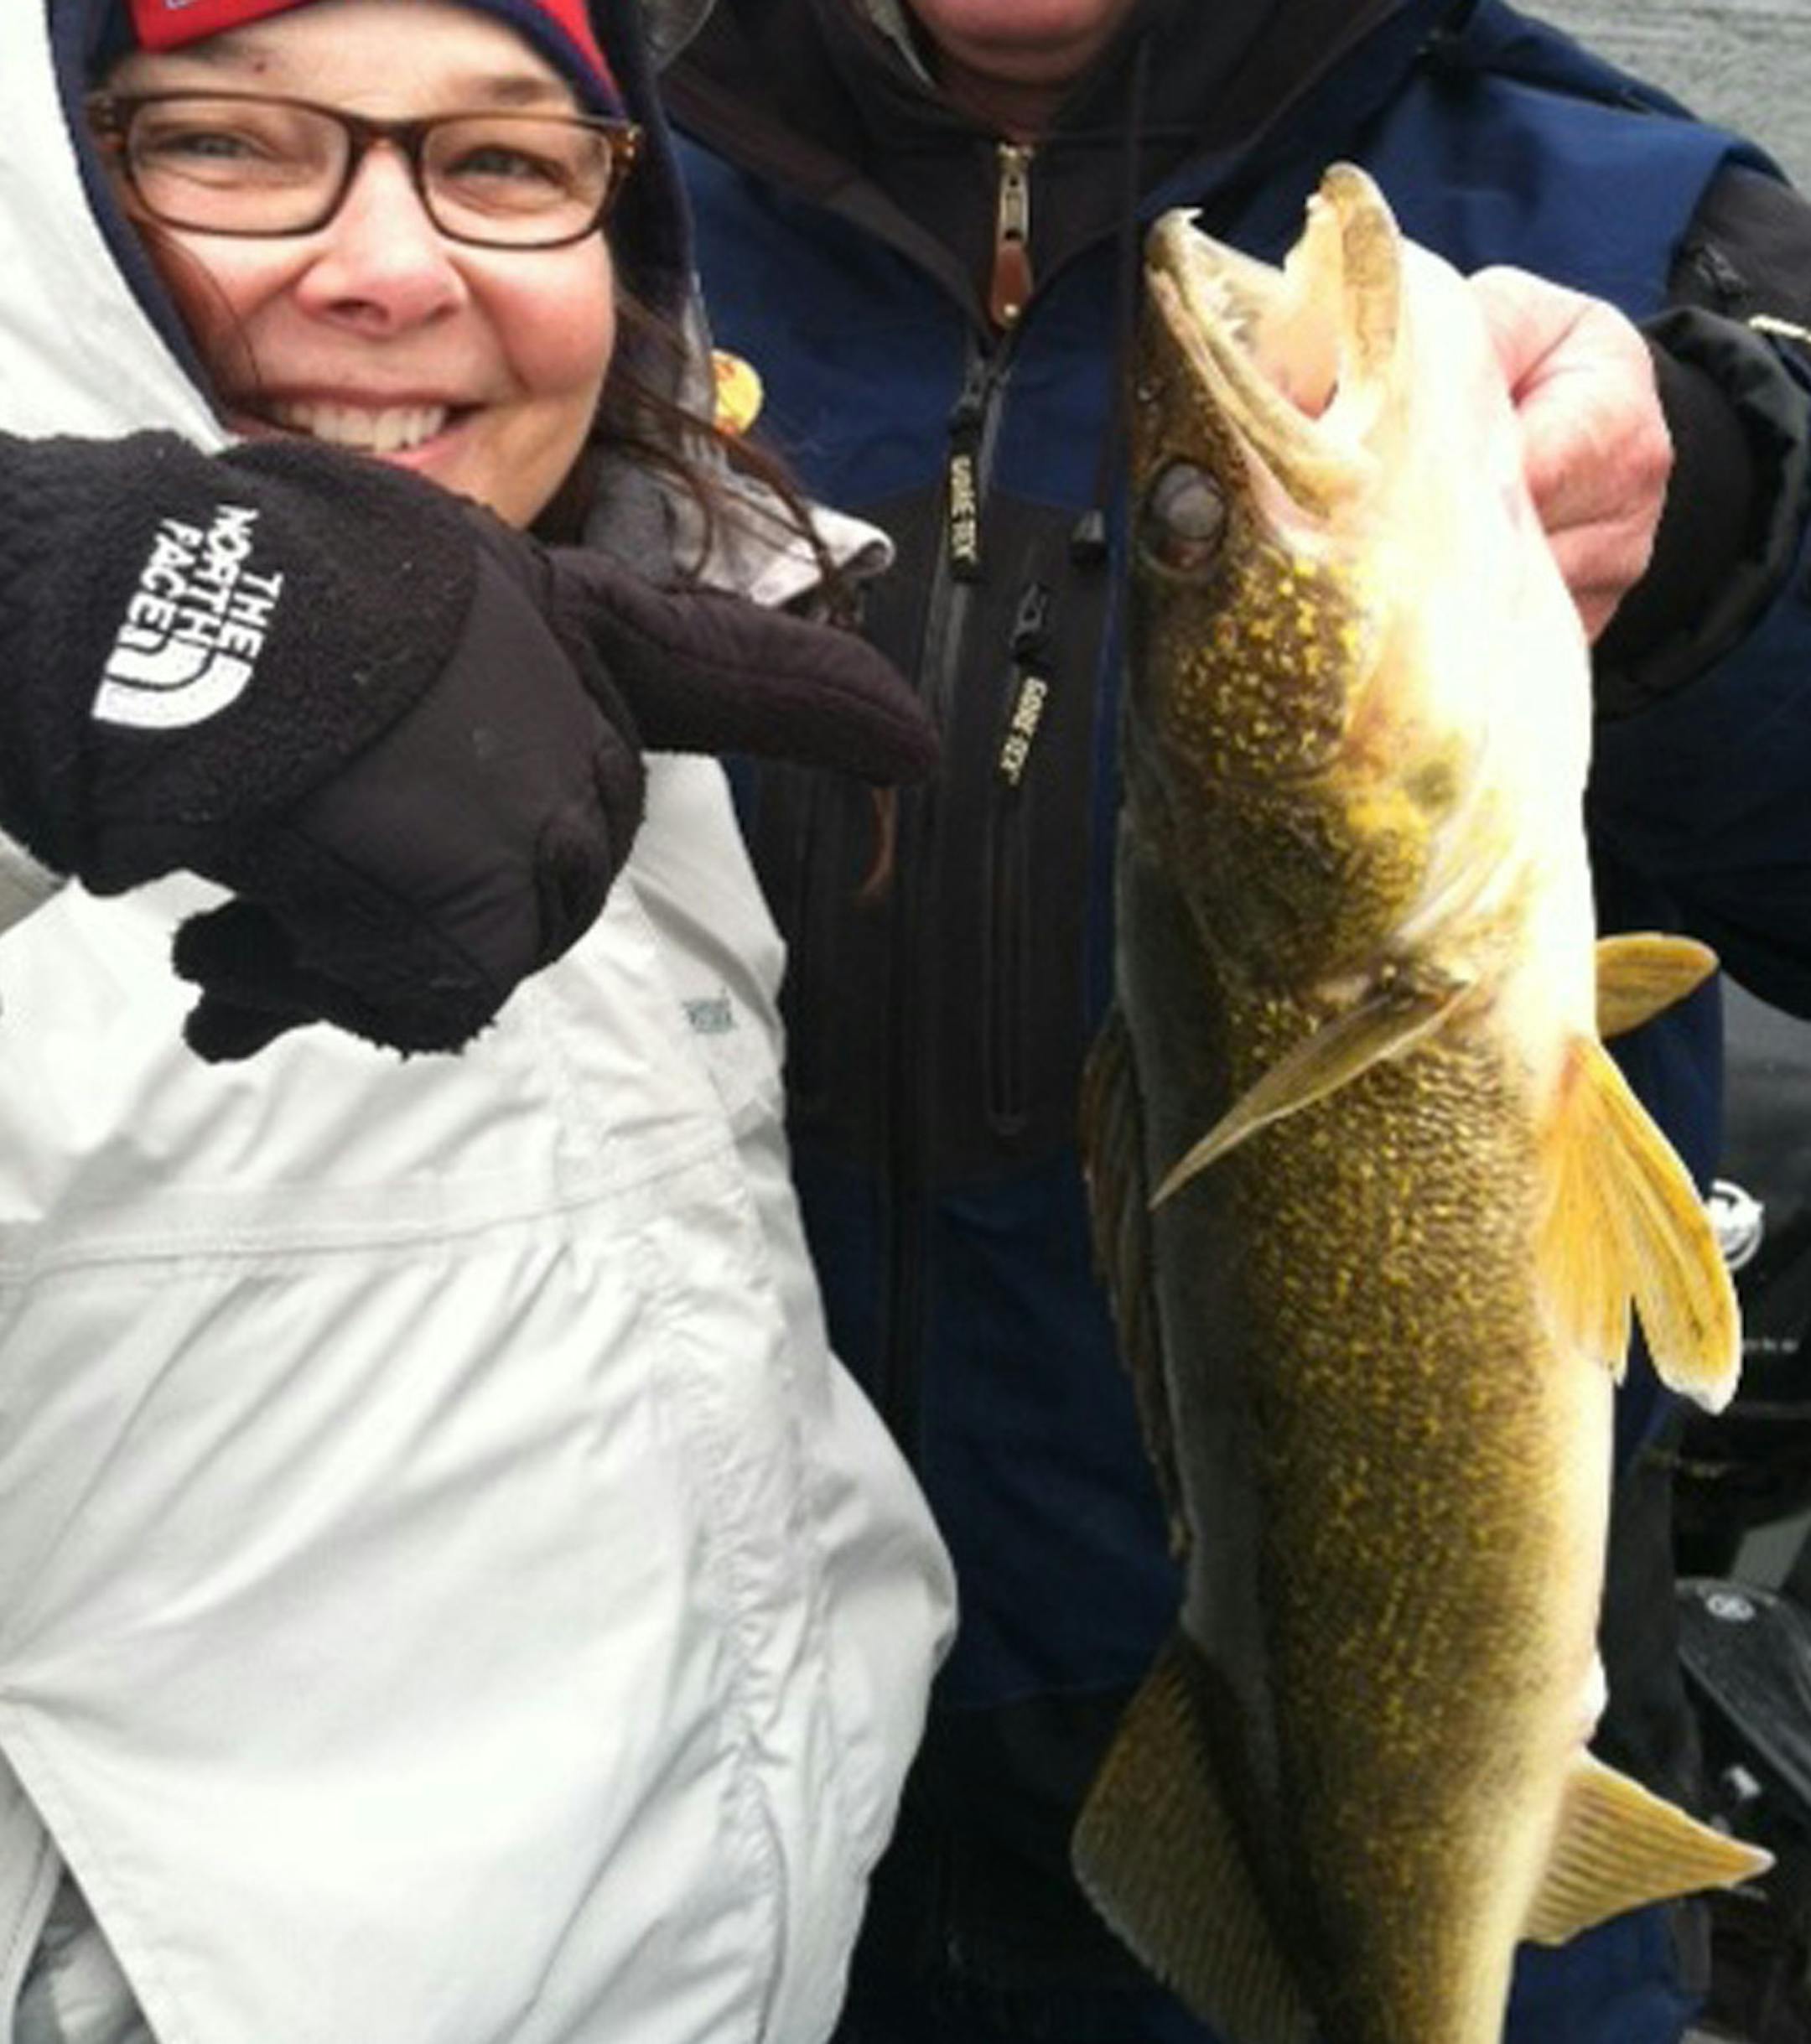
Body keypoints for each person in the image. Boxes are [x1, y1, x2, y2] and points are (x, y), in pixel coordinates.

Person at [656, 2, 1811, 2040]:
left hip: (1387, 1779)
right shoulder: (560, 190)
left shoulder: (1643, 221)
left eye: (1195, 539)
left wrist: (1723, 525)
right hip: (713, 1804)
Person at [0, 2, 957, 2040]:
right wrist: (64, 622)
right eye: (237, 148)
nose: (391, 265)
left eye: (511, 165)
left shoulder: (663, 656)